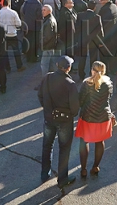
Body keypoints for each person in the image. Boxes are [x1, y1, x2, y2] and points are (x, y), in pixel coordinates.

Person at [37, 55, 79, 192]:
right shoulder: (70, 84)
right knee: (64, 149)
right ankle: (62, 179)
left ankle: (45, 174)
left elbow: (40, 96)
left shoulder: (48, 77)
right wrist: (70, 115)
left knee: (47, 146)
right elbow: (75, 108)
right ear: (68, 68)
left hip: (49, 119)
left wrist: (47, 109)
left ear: (56, 65)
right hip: (64, 121)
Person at [76, 60, 115, 179]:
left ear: (92, 70)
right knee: (100, 142)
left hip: (88, 117)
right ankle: (95, 167)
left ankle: (83, 169)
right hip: (103, 117)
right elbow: (109, 98)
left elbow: (80, 101)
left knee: (84, 142)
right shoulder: (108, 83)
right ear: (104, 71)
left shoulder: (86, 83)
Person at [76, 0, 105, 81]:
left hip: (82, 39)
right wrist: (100, 42)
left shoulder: (80, 15)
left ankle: (81, 75)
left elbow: (77, 28)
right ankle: (92, 74)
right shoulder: (97, 17)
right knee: (93, 58)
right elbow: (100, 30)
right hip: (93, 40)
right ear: (95, 7)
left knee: (82, 58)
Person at [0, 0, 25, 72]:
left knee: (5, 53)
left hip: (4, 35)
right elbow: (18, 23)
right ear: (9, 3)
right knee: (16, 51)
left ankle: (7, 68)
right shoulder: (13, 12)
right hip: (12, 33)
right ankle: (19, 66)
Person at [40, 5, 59, 77]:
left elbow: (47, 36)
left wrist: (41, 43)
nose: (42, 12)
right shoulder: (49, 19)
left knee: (44, 65)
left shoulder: (49, 21)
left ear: (49, 11)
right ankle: (53, 80)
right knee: (51, 64)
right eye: (42, 10)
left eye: (44, 10)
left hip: (47, 46)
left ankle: (45, 82)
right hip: (50, 45)